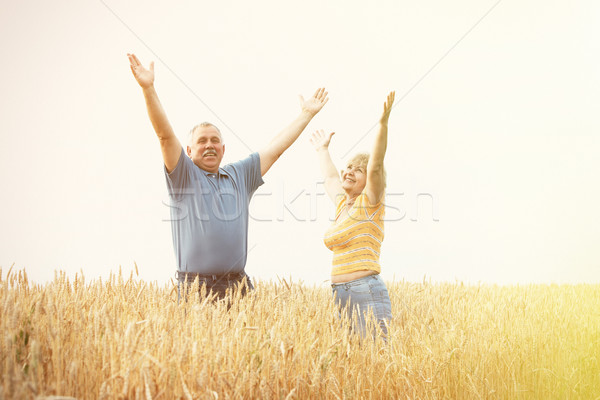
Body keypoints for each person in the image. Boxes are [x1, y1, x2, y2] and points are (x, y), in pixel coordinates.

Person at [127, 53, 329, 301]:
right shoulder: (183, 175)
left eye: (215, 141)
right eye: (201, 141)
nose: (209, 145)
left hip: (238, 284)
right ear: (188, 151)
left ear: (224, 149)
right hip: (195, 288)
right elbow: (165, 135)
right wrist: (148, 88)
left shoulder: (240, 174)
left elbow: (275, 149)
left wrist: (306, 115)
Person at [310, 91, 395, 339]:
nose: (349, 172)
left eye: (358, 170)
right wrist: (322, 149)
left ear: (369, 180)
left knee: (377, 360)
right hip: (341, 294)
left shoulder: (369, 203)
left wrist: (382, 125)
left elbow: (377, 163)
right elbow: (330, 177)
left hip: (366, 291)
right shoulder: (342, 206)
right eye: (348, 167)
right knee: (357, 363)